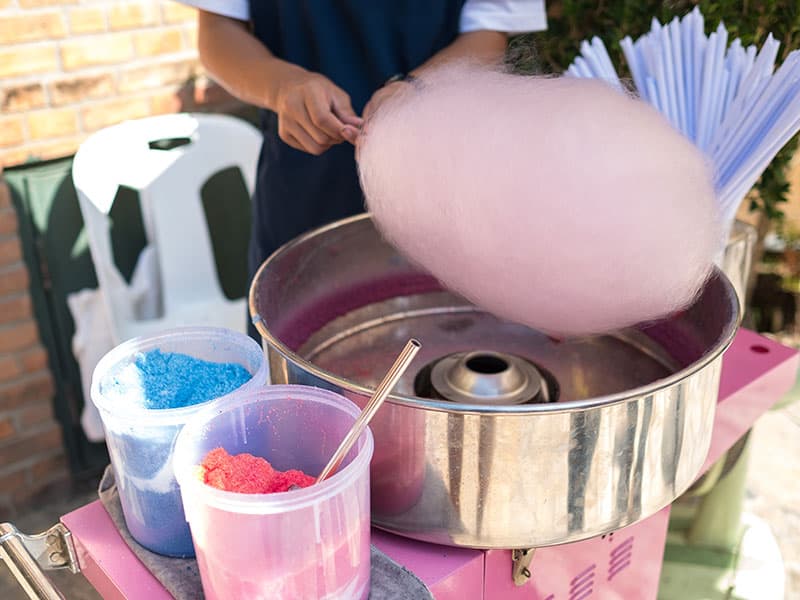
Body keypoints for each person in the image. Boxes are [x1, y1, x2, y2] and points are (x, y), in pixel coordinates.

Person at [176, 1, 547, 335]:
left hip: (446, 196)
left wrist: (416, 90)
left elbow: (489, 35)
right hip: (305, 189)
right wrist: (282, 88)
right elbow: (218, 31)